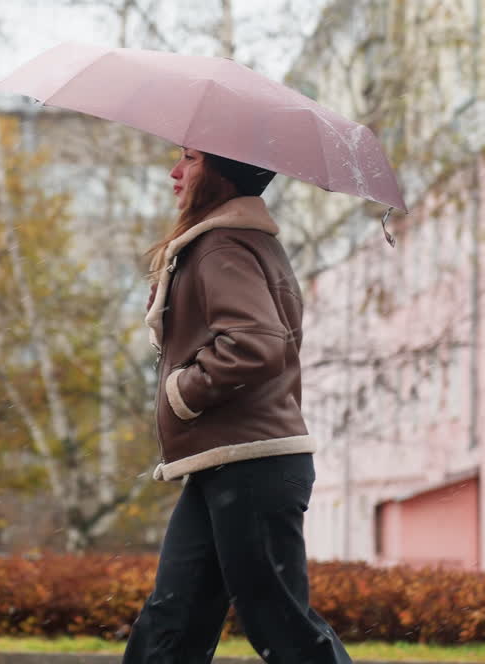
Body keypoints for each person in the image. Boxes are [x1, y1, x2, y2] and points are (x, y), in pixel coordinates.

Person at [123, 148, 351, 664]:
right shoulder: (232, 245)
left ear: (222, 174)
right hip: (229, 462)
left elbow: (255, 344)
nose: (175, 173)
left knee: (280, 623)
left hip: (252, 464)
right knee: (173, 621)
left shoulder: (220, 246)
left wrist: (183, 390)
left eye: (190, 160)